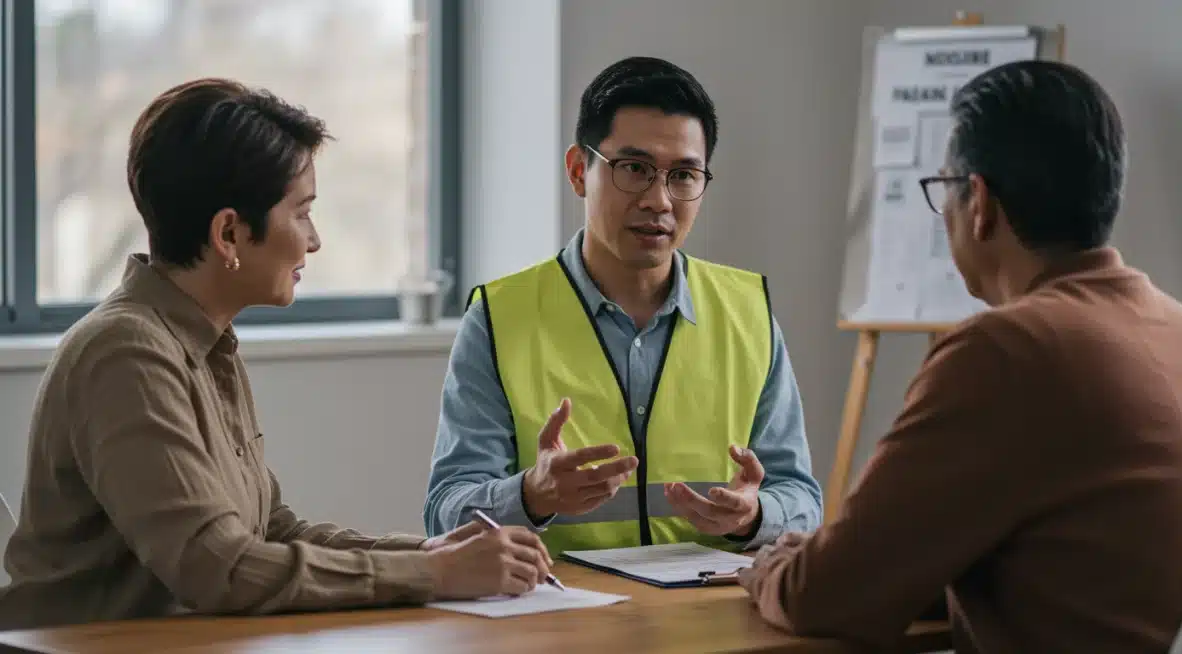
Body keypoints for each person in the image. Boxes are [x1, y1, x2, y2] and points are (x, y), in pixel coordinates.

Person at [0, 78, 551, 631]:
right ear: (229, 234)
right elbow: (219, 568)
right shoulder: (126, 355)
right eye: (302, 213)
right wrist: (433, 575)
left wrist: (430, 552)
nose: (314, 240)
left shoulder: (205, 343)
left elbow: (270, 532)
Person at [739, 59, 1182, 652]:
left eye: (944, 190)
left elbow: (823, 598)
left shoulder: (1006, 350)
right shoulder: (1181, 328)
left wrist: (775, 569)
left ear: (978, 202)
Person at [423, 56, 822, 556]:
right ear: (578, 171)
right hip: (556, 600)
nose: (660, 200)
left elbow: (801, 497)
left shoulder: (748, 312)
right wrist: (530, 495)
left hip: (713, 601)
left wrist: (755, 516)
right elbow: (445, 512)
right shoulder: (500, 317)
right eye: (634, 169)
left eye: (683, 175)